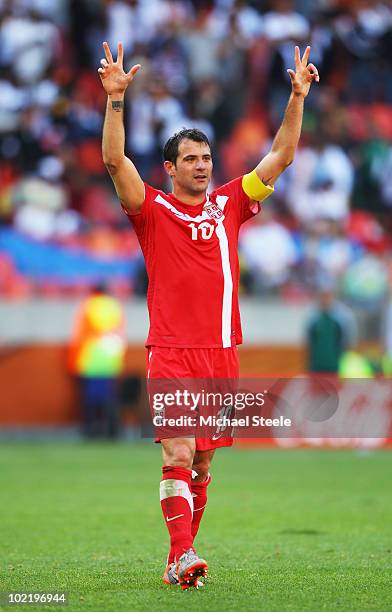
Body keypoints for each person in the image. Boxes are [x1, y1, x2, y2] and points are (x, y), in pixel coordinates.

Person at [98, 40, 319, 589]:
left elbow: (282, 156)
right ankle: (181, 554)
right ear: (170, 168)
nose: (201, 167)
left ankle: (182, 556)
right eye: (190, 160)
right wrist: (116, 101)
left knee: (202, 464)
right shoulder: (150, 209)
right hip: (172, 349)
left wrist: (296, 98)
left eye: (206, 158)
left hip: (222, 351)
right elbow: (112, 160)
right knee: (177, 451)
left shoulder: (231, 202)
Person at [68, 283, 127, 439]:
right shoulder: (115, 306)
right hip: (111, 359)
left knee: (90, 398)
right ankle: (113, 431)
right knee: (110, 397)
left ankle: (91, 431)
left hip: (90, 358)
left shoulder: (87, 305)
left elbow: (79, 334)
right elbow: (120, 333)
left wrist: (73, 359)